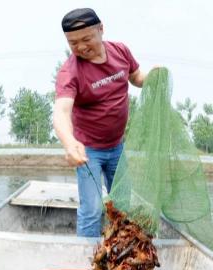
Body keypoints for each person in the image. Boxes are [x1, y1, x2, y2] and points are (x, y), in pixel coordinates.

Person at [53, 8, 149, 237]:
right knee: (92, 209)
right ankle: (83, 262)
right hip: (88, 152)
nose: (81, 47)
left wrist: (152, 77)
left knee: (123, 206)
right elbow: (61, 111)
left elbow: (136, 78)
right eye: (73, 43)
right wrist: (69, 142)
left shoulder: (121, 51)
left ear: (101, 29)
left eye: (86, 39)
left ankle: (118, 252)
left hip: (117, 147)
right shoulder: (70, 71)